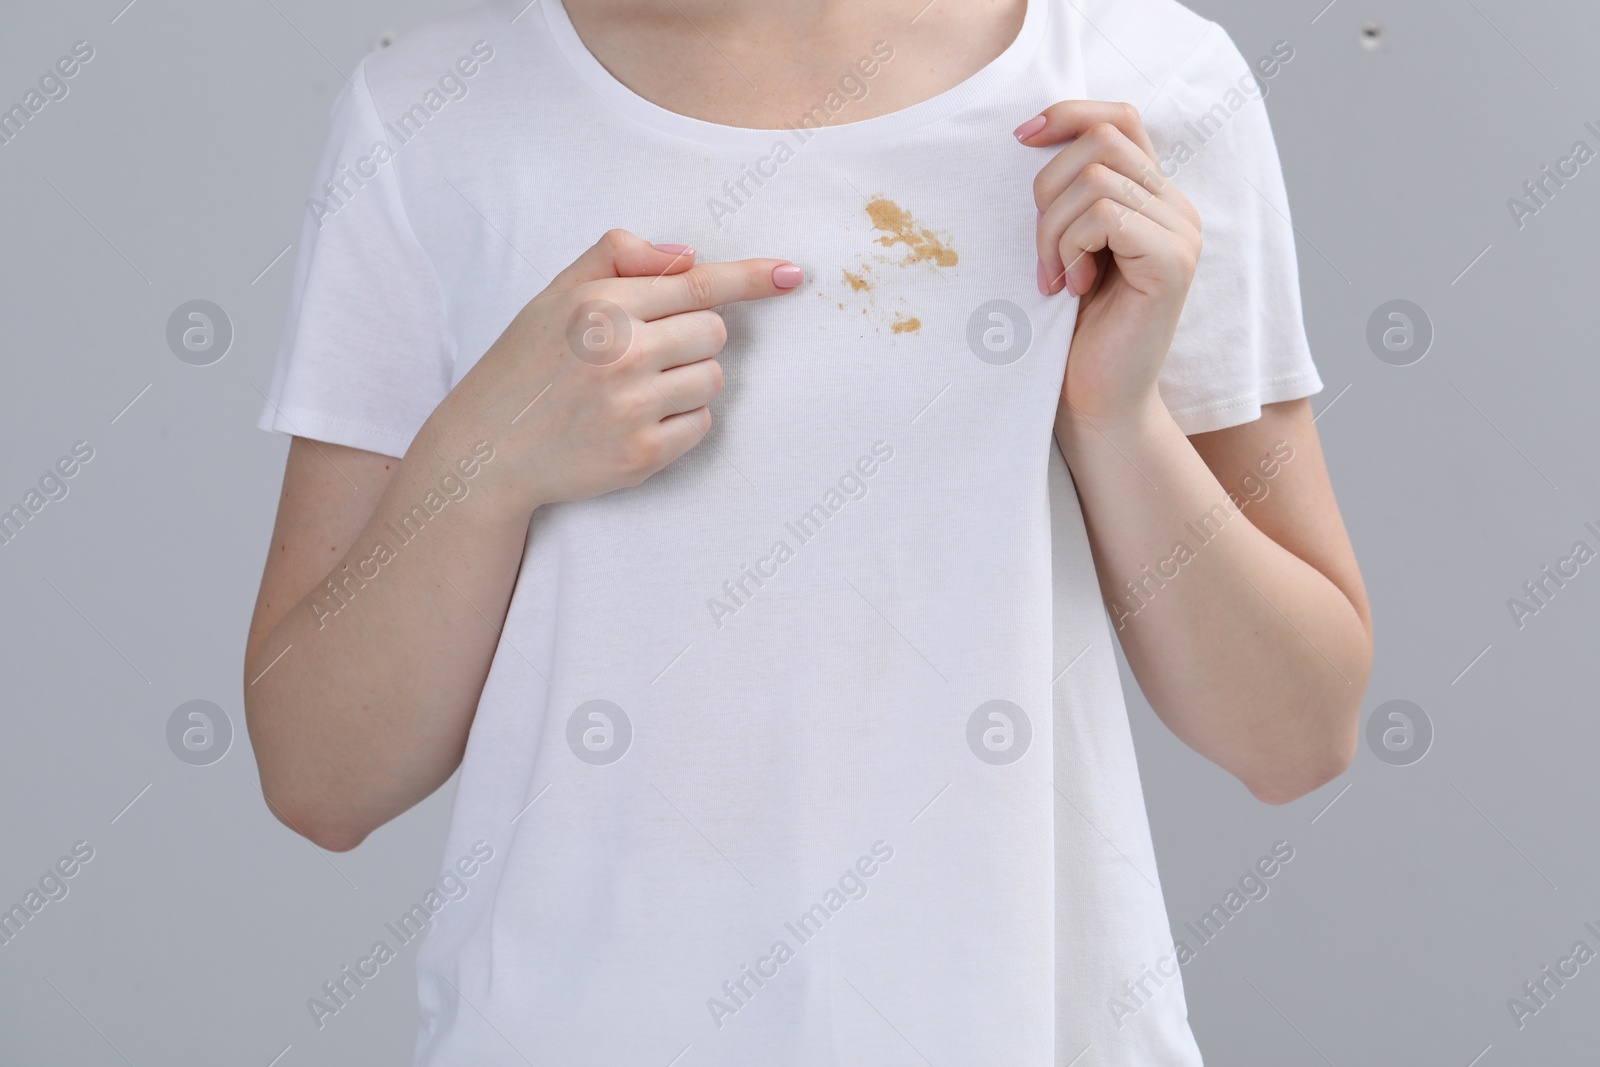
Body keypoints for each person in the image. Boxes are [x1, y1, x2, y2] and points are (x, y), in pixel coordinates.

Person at [244, 0, 1372, 1061]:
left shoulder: (1144, 85)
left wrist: (1113, 417)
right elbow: (319, 777)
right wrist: (478, 464)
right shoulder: (432, 111)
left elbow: (1296, 733)